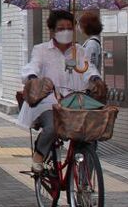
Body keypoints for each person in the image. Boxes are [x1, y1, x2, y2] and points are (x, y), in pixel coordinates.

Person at [19, 10, 103, 173]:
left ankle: (85, 180)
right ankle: (39, 154)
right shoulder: (41, 50)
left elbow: (88, 68)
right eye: (61, 28)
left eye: (69, 27)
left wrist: (95, 78)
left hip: (74, 101)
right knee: (53, 126)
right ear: (51, 31)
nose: (66, 31)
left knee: (90, 133)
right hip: (48, 101)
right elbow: (32, 65)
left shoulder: (78, 50)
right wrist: (32, 76)